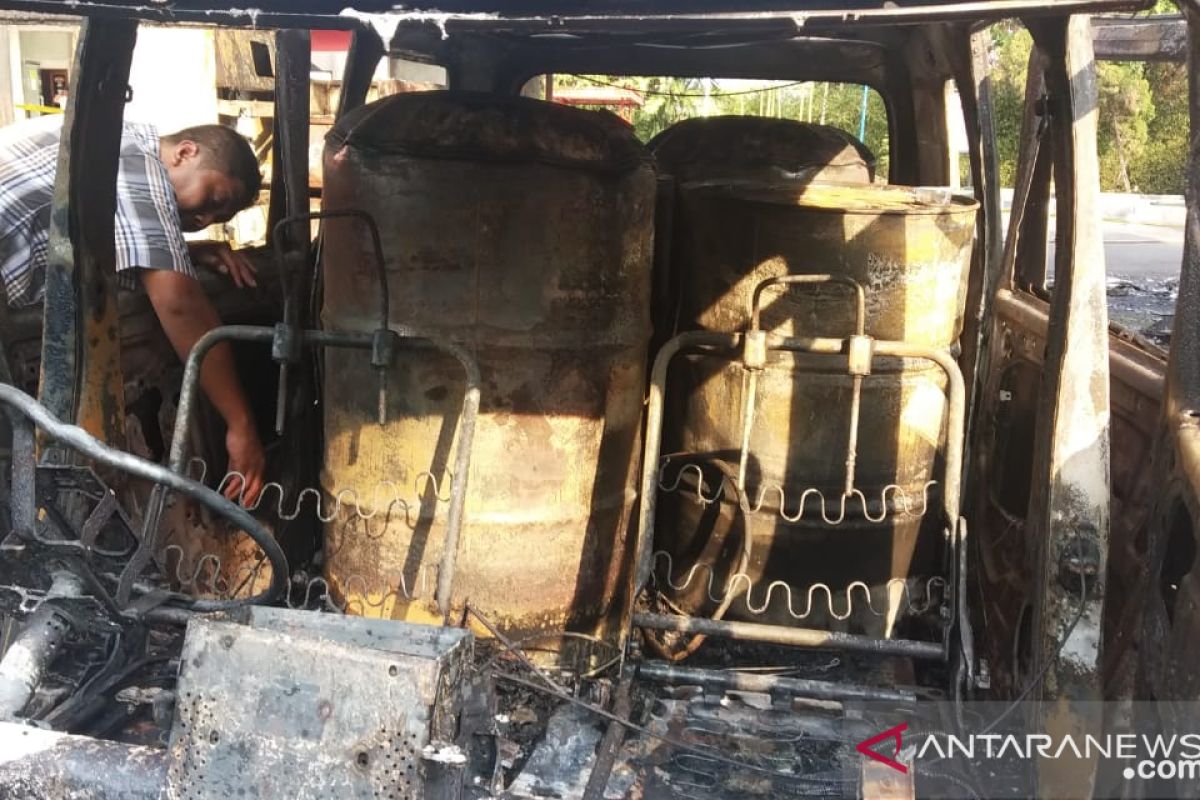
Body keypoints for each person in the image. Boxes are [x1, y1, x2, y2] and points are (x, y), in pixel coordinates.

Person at [0, 115, 266, 504]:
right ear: (185, 153)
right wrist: (241, 425)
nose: (203, 220)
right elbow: (178, 304)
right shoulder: (138, 162)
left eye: (218, 219)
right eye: (214, 200)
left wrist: (185, 252)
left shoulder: (111, 135)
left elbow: (93, 248)